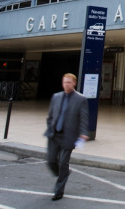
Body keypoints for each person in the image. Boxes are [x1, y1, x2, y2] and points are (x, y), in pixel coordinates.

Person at [44, 73, 89, 201]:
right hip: (54, 135)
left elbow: (84, 118)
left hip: (68, 136)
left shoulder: (81, 99)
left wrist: (84, 132)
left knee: (63, 163)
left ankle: (58, 191)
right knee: (51, 161)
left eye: (69, 82)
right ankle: (64, 173)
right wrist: (49, 127)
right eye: (65, 82)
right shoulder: (56, 97)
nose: (66, 84)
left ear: (74, 83)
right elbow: (51, 115)